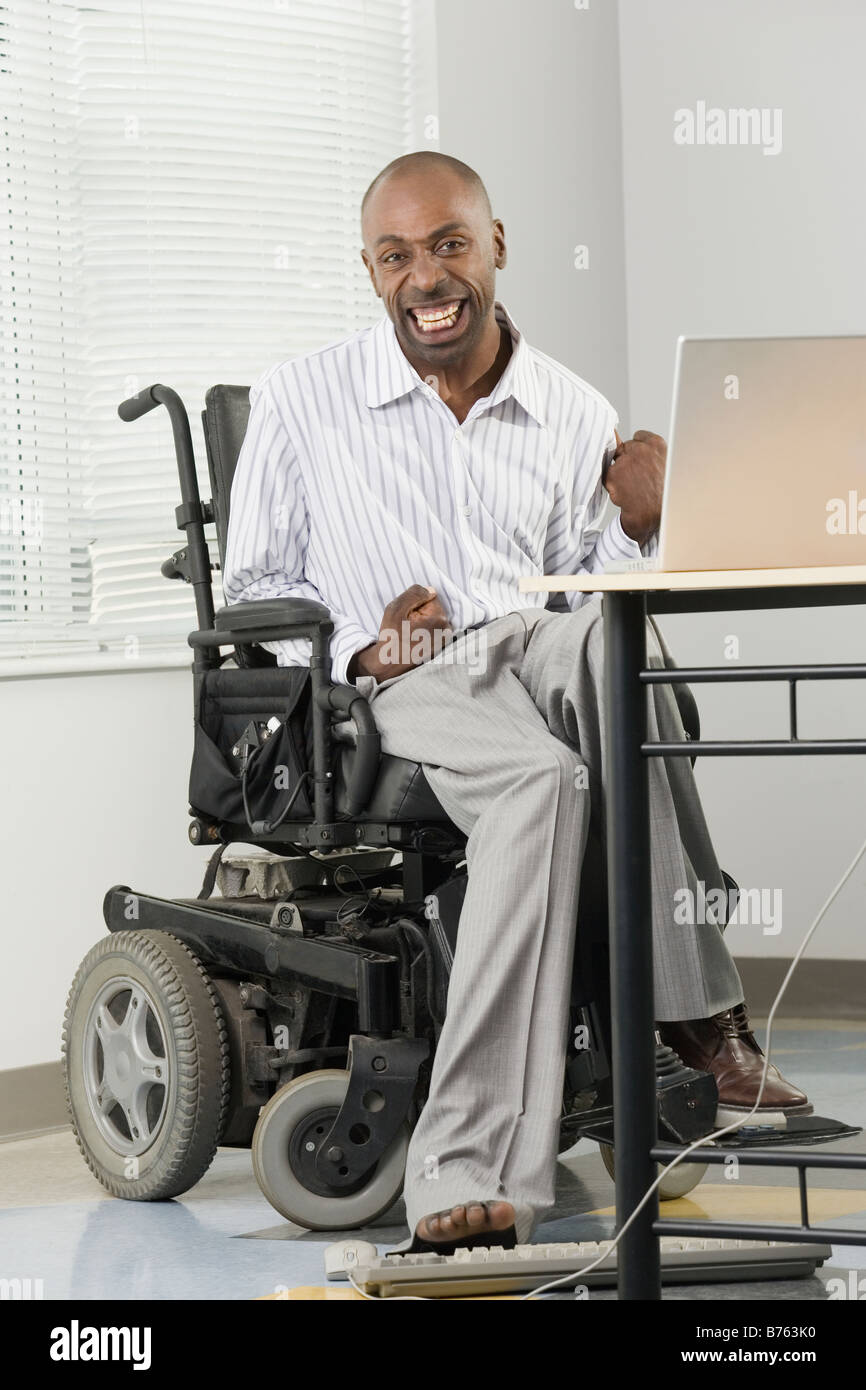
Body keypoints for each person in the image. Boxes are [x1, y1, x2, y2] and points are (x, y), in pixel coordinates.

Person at [223, 150, 808, 1251]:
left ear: (497, 247)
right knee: (545, 780)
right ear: (371, 271)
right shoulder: (302, 401)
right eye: (395, 256)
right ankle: (466, 1161)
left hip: (534, 639)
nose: (425, 277)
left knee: (616, 650)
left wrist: (640, 526)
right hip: (409, 677)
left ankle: (694, 1011)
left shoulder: (571, 407)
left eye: (448, 244)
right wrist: (363, 642)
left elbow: (593, 583)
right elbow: (254, 588)